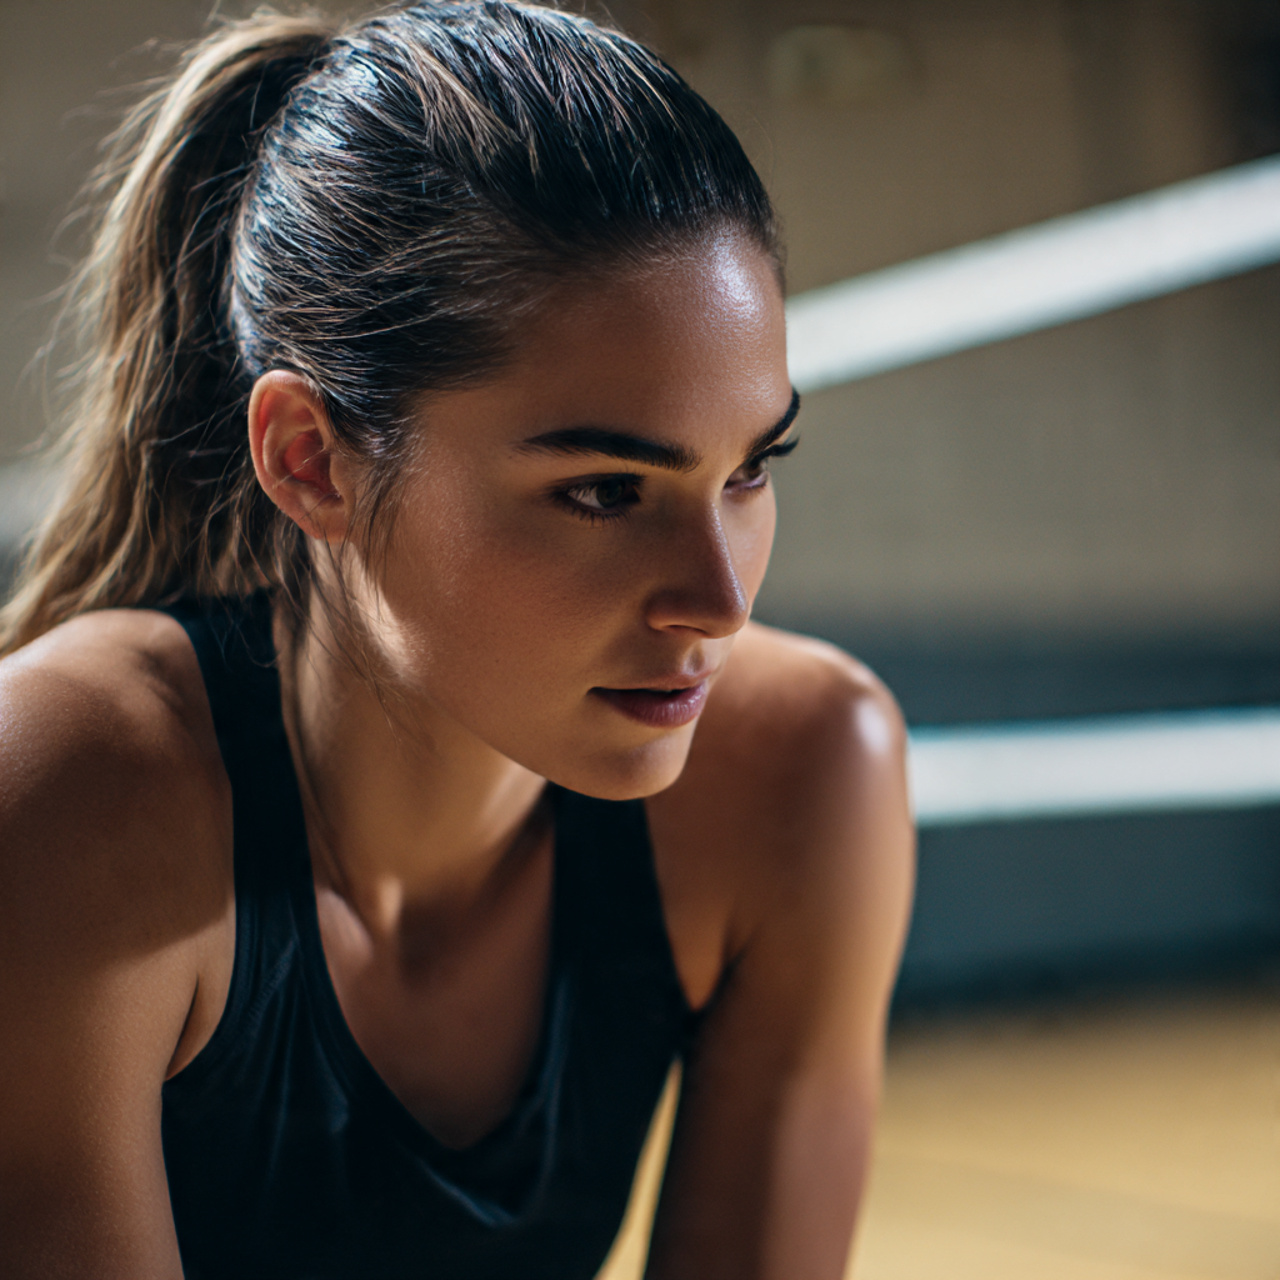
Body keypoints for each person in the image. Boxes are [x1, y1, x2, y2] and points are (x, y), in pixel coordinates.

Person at [0, 3, 914, 1277]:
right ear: (309, 459)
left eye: (752, 470)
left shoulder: (803, 772)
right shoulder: (66, 789)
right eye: (605, 488)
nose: (718, 599)